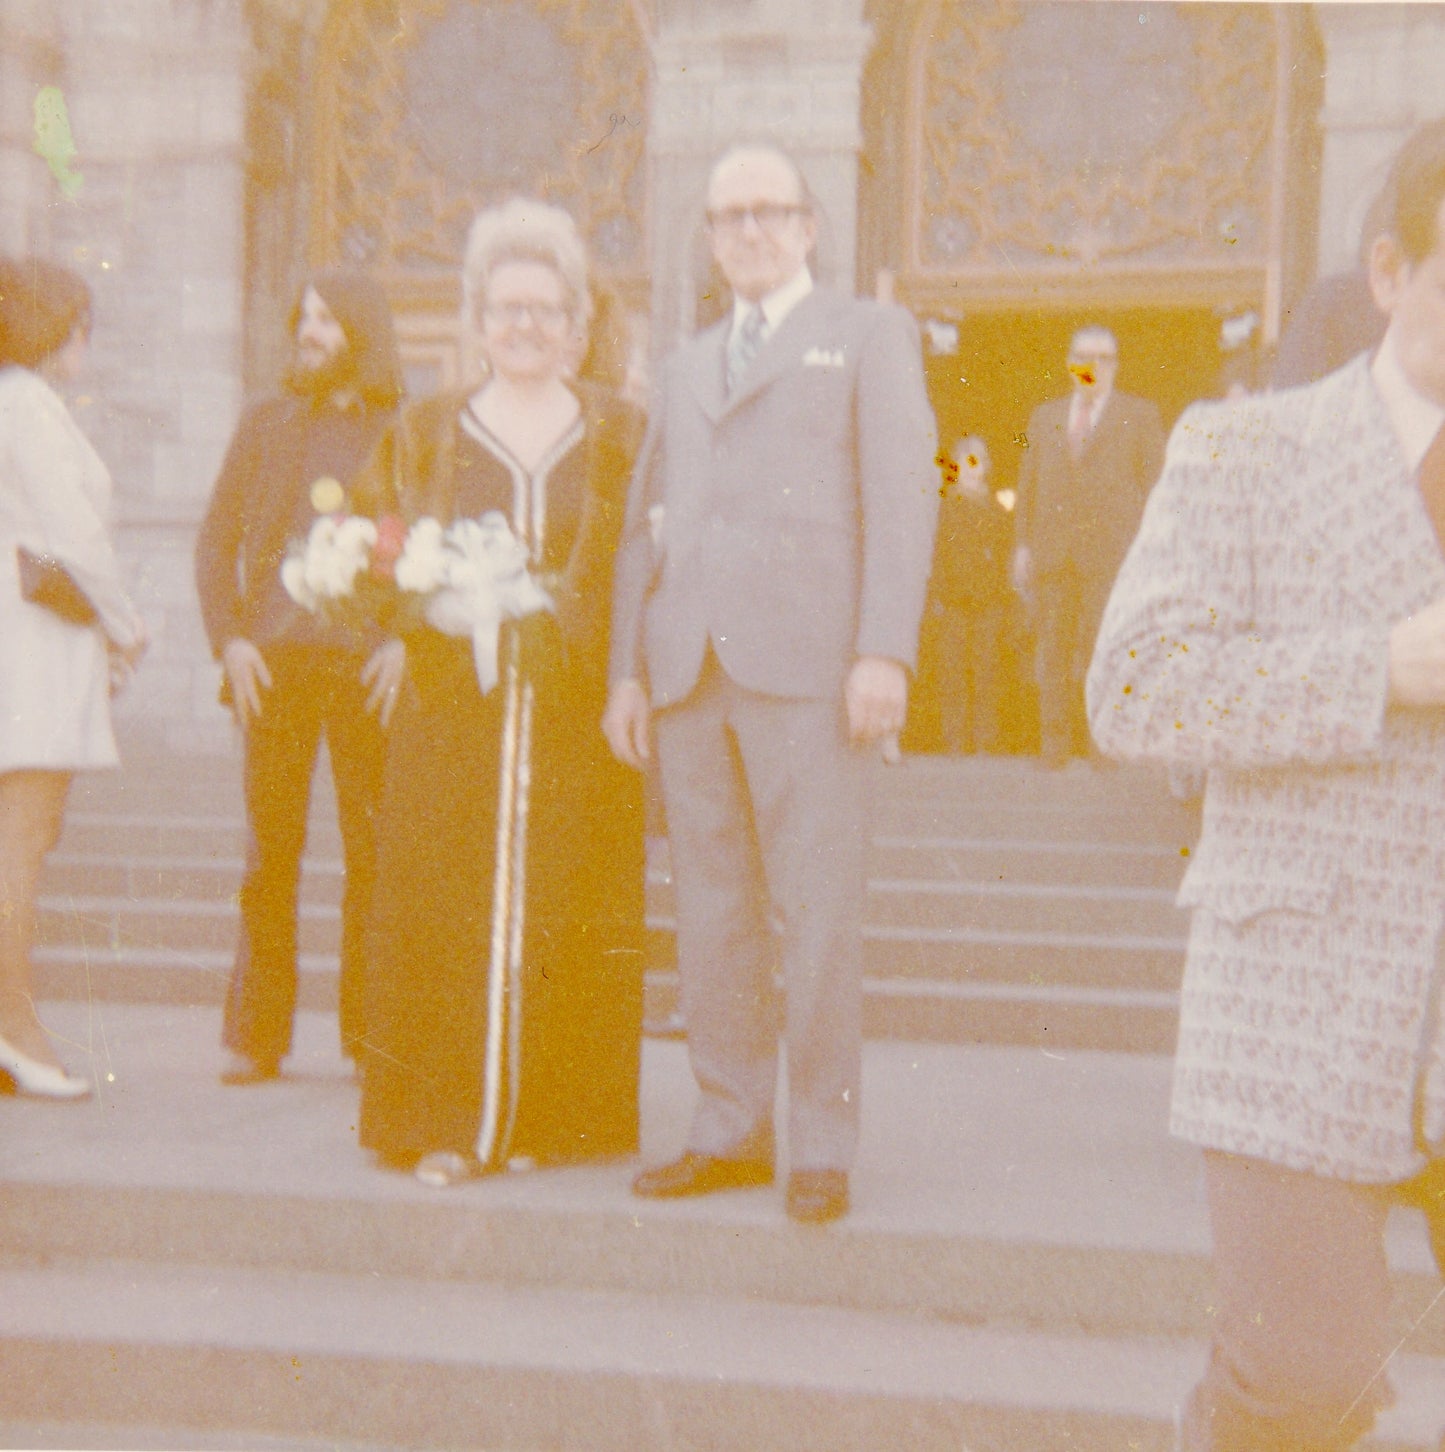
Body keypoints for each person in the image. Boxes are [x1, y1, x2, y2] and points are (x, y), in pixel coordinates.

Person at [1086, 118, 1445, 1451]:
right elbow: (1131, 686)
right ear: (1390, 269)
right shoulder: (1243, 451)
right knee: (1298, 1385)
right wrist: (1375, 671)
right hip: (1297, 993)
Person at [603, 142, 938, 1225]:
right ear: (707, 238)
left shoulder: (865, 335)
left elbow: (901, 497)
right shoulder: (690, 356)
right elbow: (644, 524)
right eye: (727, 216)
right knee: (710, 911)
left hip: (810, 672)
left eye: (768, 211)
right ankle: (728, 1125)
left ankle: (821, 1141)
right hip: (691, 670)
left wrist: (882, 648)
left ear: (806, 226)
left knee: (819, 909)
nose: (747, 231)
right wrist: (628, 669)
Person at [353, 199, 645, 1186]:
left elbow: (636, 567)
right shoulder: (426, 430)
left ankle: (547, 1121)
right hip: (451, 721)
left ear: (577, 321)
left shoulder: (619, 433)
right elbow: (369, 547)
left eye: (545, 309)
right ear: (476, 318)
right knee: (445, 911)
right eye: (506, 308)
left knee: (568, 907)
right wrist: (410, 615)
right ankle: (447, 1120)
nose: (525, 327)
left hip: (575, 725)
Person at [195, 272, 404, 1084]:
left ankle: (367, 1035)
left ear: (362, 328)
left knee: (373, 852)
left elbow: (429, 544)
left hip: (366, 668)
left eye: (327, 319)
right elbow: (215, 541)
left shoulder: (401, 427)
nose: (308, 332)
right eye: (303, 318)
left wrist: (403, 642)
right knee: (269, 852)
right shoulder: (267, 421)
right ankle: (257, 1036)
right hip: (272, 666)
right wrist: (230, 643)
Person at [0, 256, 147, 1098]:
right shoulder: (28, 404)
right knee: (24, 838)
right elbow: (75, 536)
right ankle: (16, 1027)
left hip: (26, 635)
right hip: (33, 648)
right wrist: (127, 628)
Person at [1012, 325, 1164, 767]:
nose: (1094, 366)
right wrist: (1022, 545)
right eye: (1085, 356)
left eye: (1104, 358)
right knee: (1053, 650)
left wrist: (1148, 554)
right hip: (1055, 553)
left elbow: (1157, 490)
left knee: (1107, 651)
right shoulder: (1044, 417)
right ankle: (1054, 748)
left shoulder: (1140, 416)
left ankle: (1105, 747)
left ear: (1116, 365)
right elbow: (1028, 486)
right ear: (1069, 362)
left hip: (1111, 557)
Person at [927, 434, 1012, 755]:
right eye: (968, 459)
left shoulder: (996, 509)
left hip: (988, 601)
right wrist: (936, 593)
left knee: (987, 669)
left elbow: (1005, 554)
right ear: (957, 465)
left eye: (981, 460)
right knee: (952, 670)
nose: (975, 467)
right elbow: (935, 554)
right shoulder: (944, 507)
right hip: (952, 600)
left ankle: (985, 740)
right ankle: (954, 738)